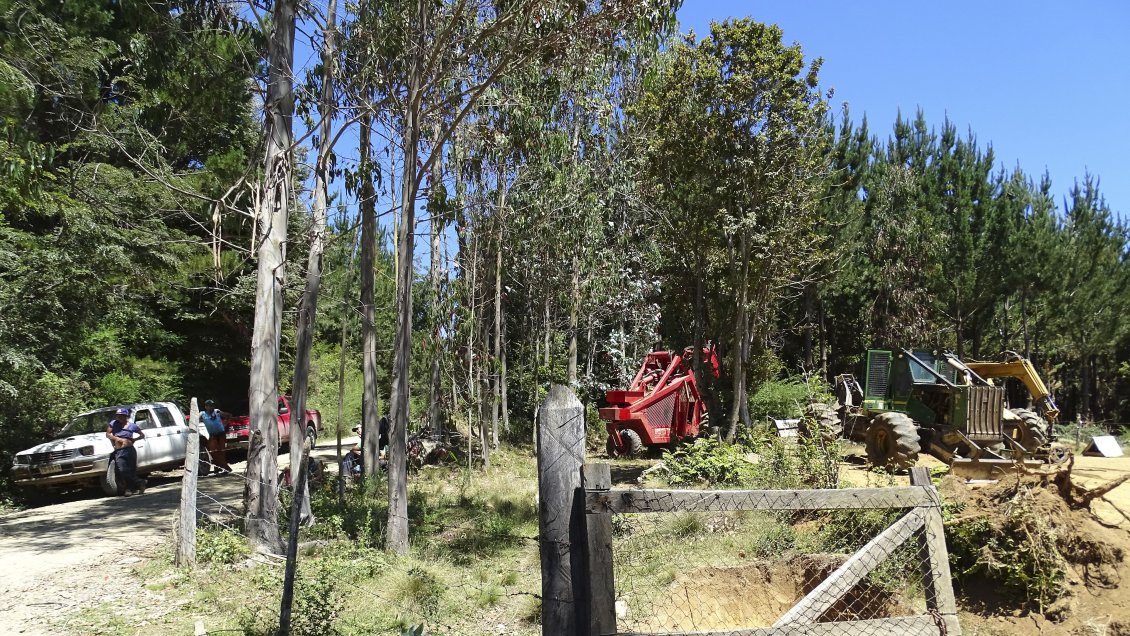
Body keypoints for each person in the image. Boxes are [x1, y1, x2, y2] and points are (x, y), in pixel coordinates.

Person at [106, 407, 146, 495]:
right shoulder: (113, 423)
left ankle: (130, 489)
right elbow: (108, 434)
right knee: (122, 470)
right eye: (118, 416)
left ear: (126, 416)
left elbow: (142, 435)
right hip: (119, 450)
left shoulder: (132, 426)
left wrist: (135, 439)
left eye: (122, 416)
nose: (120, 417)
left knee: (131, 470)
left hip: (130, 450)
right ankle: (139, 482)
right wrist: (117, 439)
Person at [200, 399, 231, 474]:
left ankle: (219, 468)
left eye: (212, 405)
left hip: (221, 434)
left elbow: (228, 415)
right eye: (209, 406)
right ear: (206, 406)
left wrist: (225, 423)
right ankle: (225, 467)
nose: (211, 407)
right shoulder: (202, 414)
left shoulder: (217, 412)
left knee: (222, 452)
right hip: (212, 435)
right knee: (213, 452)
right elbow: (195, 419)